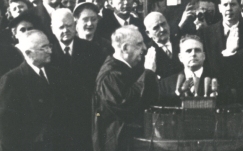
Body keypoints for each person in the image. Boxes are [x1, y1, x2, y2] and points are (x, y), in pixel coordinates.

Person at [92, 25, 158, 151]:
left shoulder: (125, 69)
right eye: (139, 44)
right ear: (125, 48)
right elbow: (126, 105)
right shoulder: (111, 75)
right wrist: (148, 73)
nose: (144, 48)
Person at [0, 30, 68, 151]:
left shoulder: (58, 74)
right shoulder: (12, 81)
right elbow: (7, 131)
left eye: (49, 46)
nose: (50, 51)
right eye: (44, 48)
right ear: (29, 53)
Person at [50, 8, 105, 150]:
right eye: (61, 27)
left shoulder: (92, 50)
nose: (65, 30)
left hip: (84, 117)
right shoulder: (48, 53)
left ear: (75, 26)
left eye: (69, 26)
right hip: (57, 120)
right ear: (52, 29)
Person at [197, 0, 243, 104]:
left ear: (240, 7)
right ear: (220, 8)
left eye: (233, 4)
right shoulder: (206, 33)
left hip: (242, 94)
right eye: (225, 4)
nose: (229, 8)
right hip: (215, 94)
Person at [158, 35, 214, 106]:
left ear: (204, 56)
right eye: (188, 51)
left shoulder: (217, 79)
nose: (193, 54)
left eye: (197, 50)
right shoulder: (165, 84)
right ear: (180, 57)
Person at [144, 12, 183, 79]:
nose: (162, 29)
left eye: (163, 24)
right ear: (148, 33)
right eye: (156, 28)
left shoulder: (181, 42)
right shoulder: (146, 52)